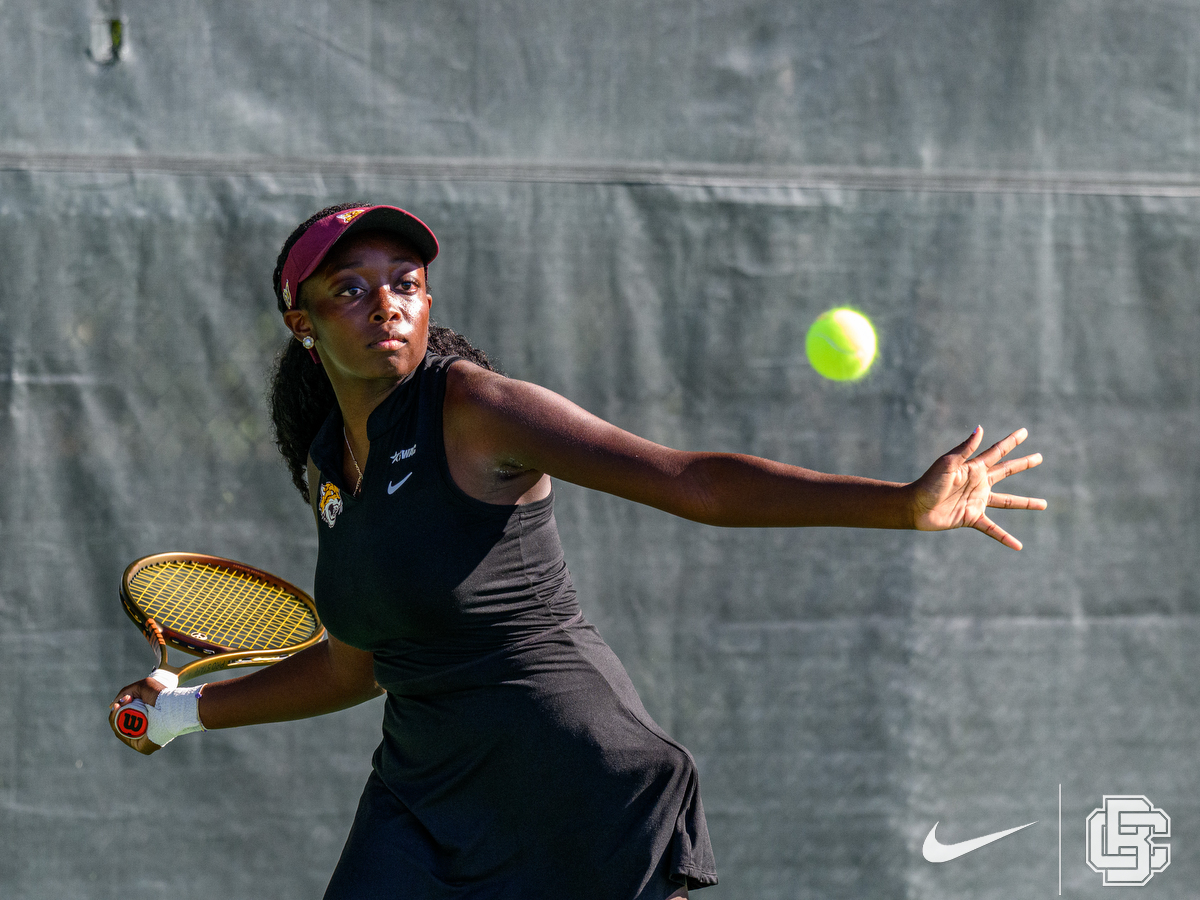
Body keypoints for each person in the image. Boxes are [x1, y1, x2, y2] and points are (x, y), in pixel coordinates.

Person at [110, 203, 1047, 899]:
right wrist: (188, 712)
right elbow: (359, 664)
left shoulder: (475, 408)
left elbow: (690, 480)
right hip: (421, 799)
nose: (384, 304)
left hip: (575, 790)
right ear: (303, 325)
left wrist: (900, 505)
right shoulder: (329, 468)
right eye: (349, 289)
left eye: (404, 282)